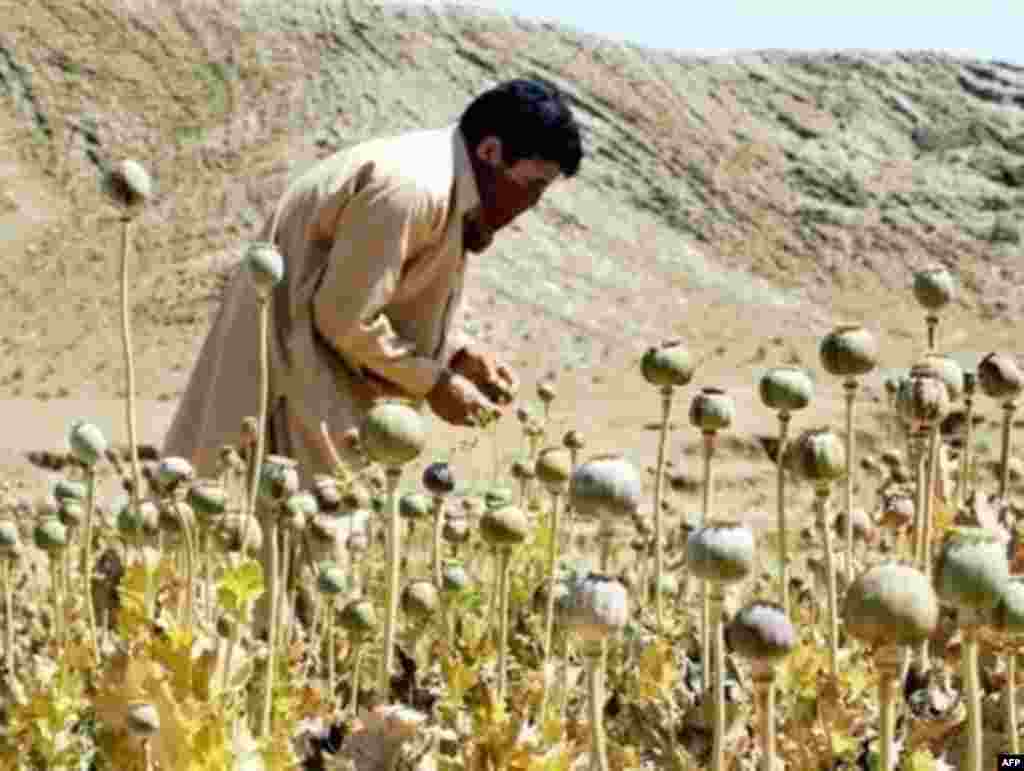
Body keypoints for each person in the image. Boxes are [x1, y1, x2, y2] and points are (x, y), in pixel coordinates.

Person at [163, 79, 584, 483]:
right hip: (289, 390)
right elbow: (345, 317)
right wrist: (434, 384)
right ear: (491, 151)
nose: (532, 203)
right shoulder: (413, 190)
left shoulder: (445, 183)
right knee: (271, 540)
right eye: (533, 185)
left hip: (321, 389)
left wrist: (454, 355)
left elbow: (377, 291)